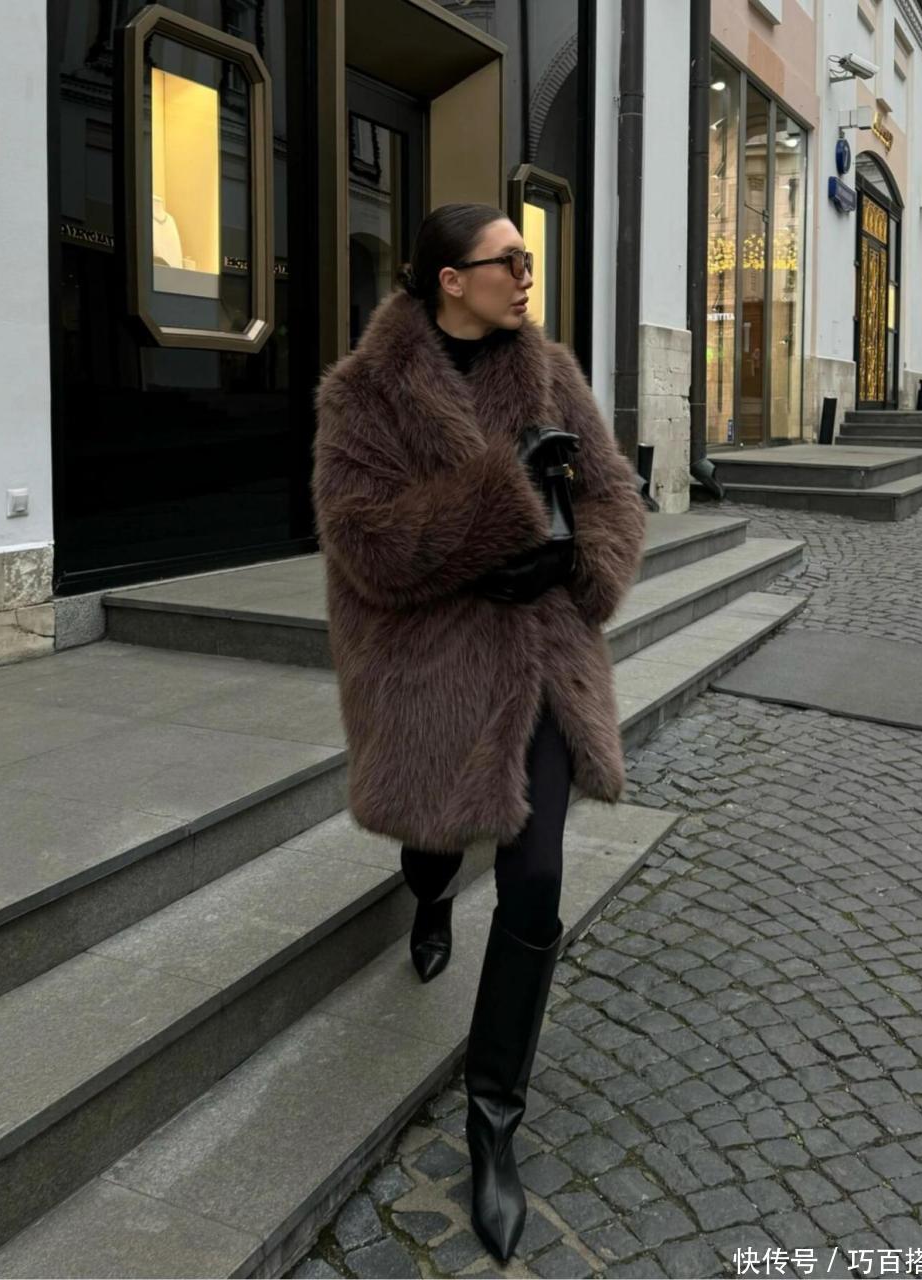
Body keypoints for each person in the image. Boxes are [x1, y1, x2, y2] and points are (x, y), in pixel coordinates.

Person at [311, 202, 647, 1261]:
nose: (527, 274)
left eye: (529, 257)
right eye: (509, 260)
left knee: (536, 876)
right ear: (449, 279)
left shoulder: (548, 370)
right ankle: (426, 893)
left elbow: (615, 494)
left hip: (537, 657)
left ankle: (493, 1119)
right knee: (434, 843)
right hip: (427, 665)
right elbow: (365, 541)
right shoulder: (362, 394)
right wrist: (507, 502)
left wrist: (576, 556)